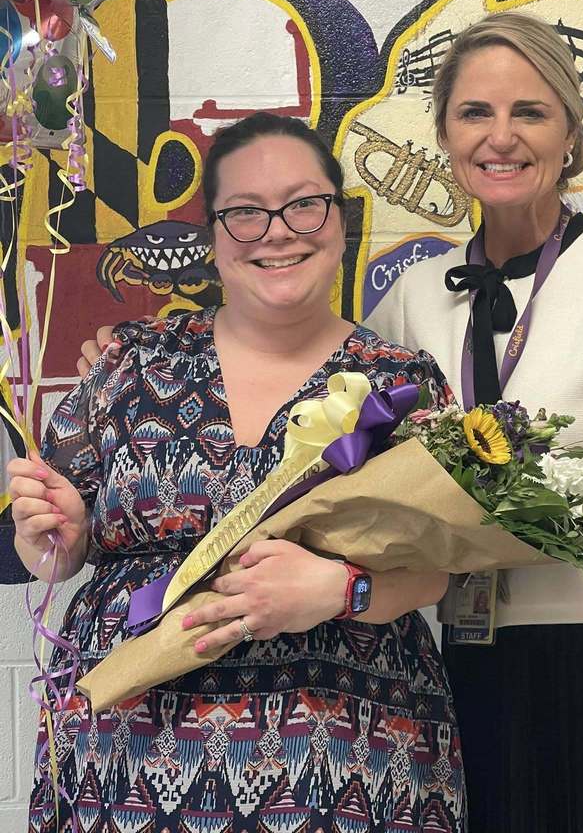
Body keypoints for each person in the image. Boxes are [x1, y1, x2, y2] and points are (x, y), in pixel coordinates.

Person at [76, 14, 583, 833]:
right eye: (476, 114)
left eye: (529, 113)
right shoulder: (415, 299)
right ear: (444, 133)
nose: (501, 138)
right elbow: (326, 419)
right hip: (460, 670)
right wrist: (122, 359)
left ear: (570, 133)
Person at [10, 112, 466, 833]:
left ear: (340, 221)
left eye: (303, 205)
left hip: (347, 759)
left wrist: (341, 588)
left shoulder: (401, 384)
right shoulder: (132, 360)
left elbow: (449, 569)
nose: (278, 231)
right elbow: (60, 552)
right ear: (215, 237)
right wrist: (54, 538)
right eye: (246, 213)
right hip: (125, 759)